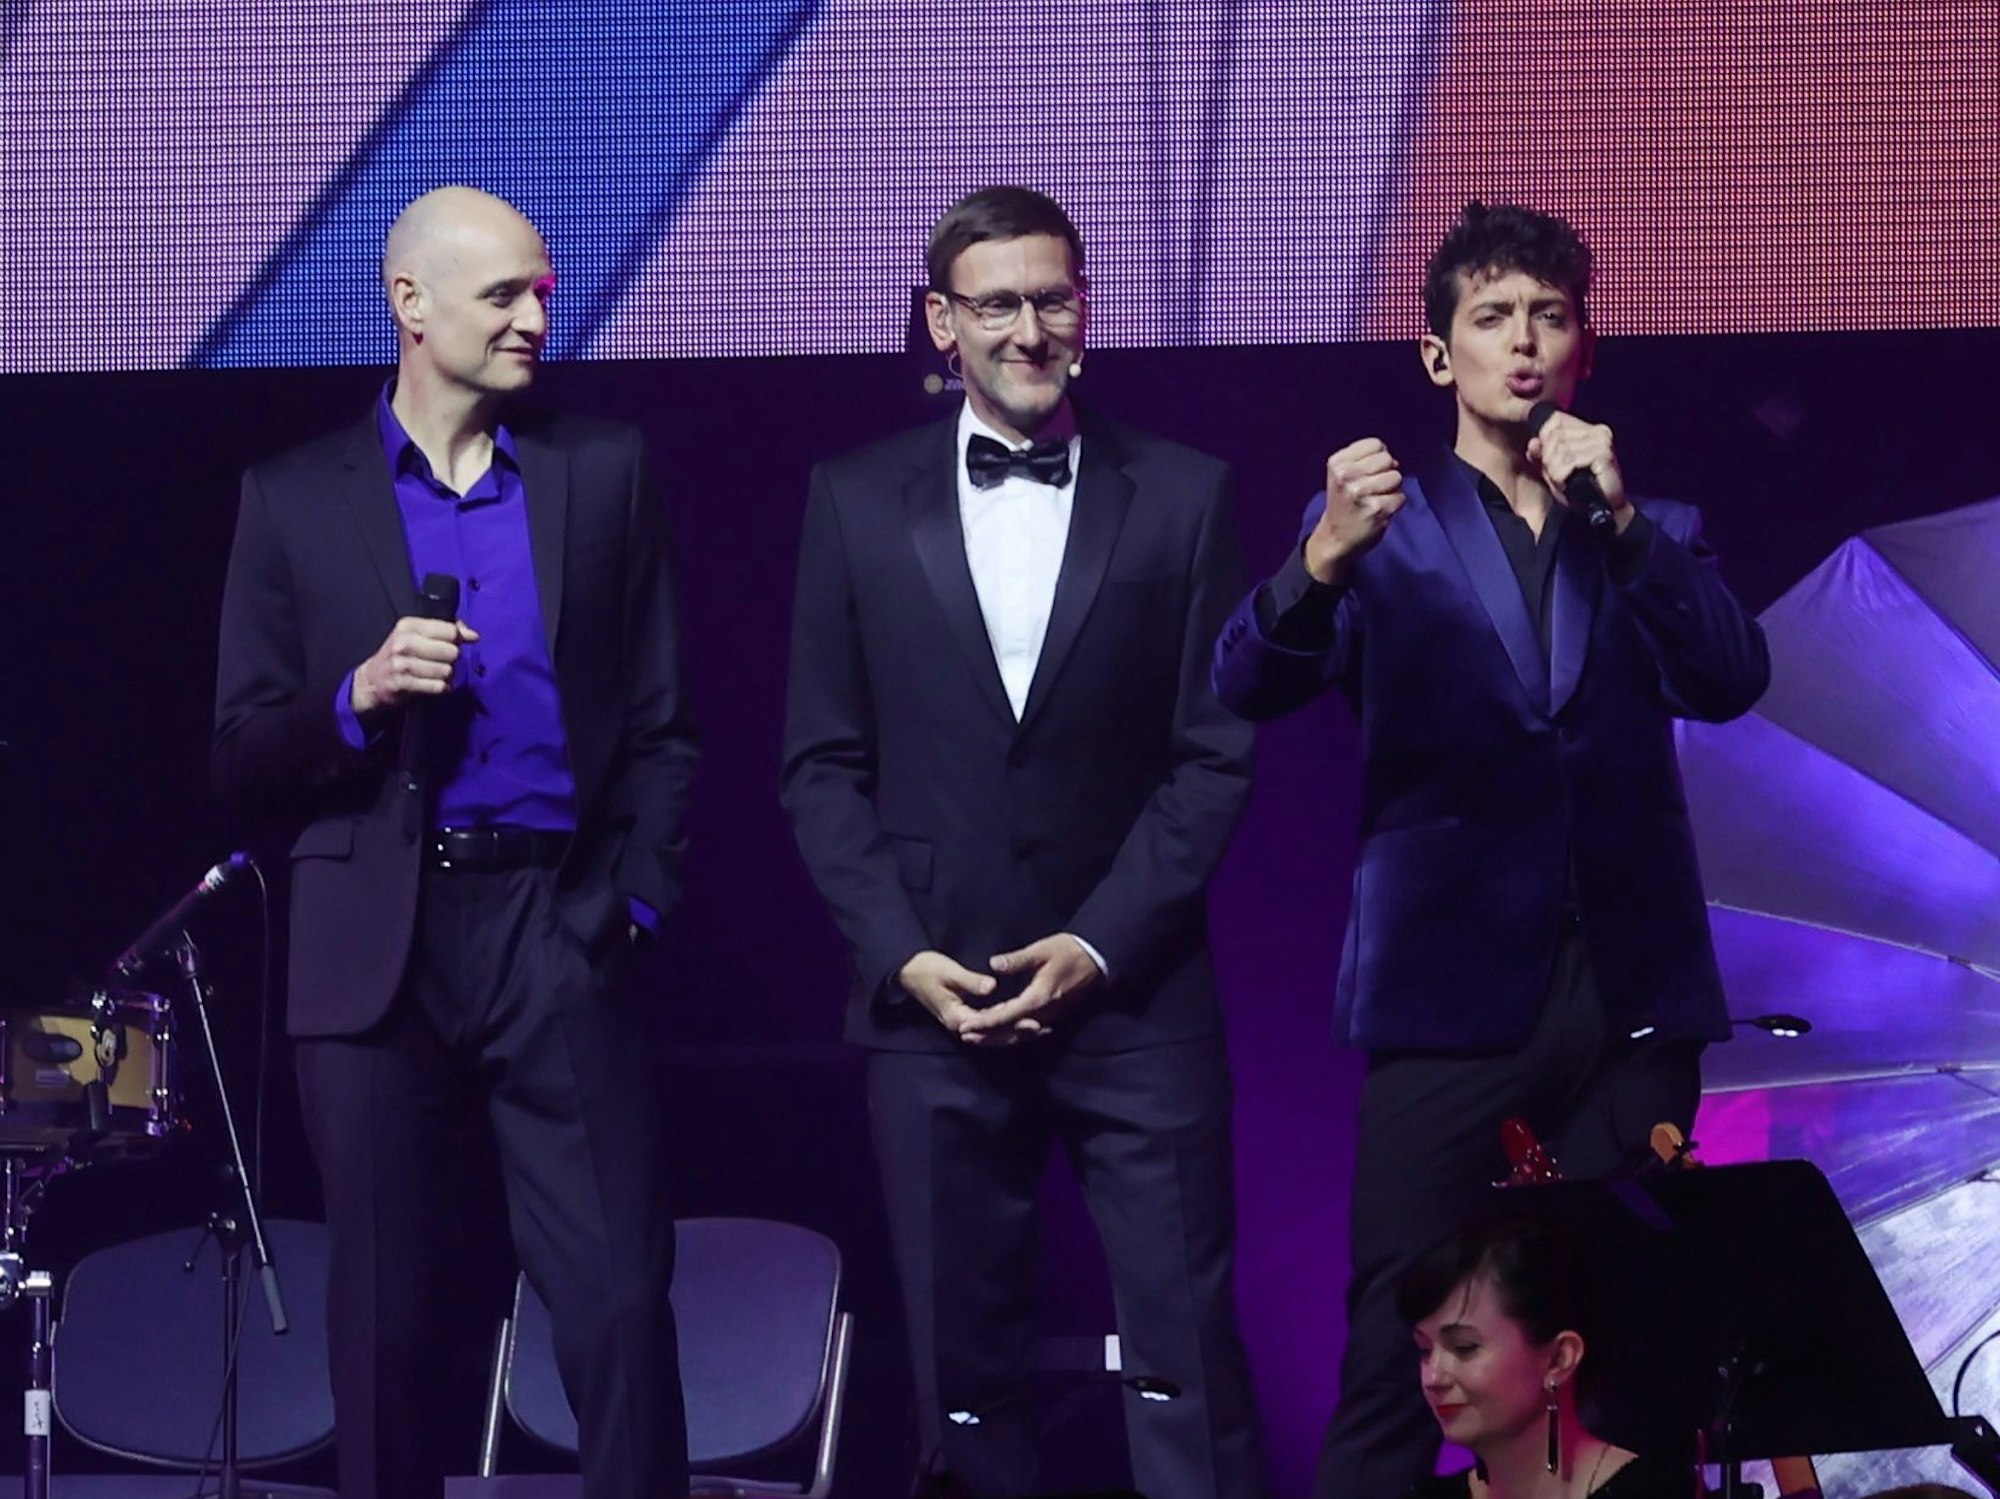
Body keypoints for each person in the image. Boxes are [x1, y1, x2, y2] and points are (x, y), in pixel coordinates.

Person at [1210, 200, 1771, 1499]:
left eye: (1551, 318)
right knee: (1397, 1341)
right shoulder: (1375, 525)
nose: (1524, 344)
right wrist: (1316, 564)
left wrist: (1624, 526)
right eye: (1493, 317)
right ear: (1435, 352)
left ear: (1585, 348)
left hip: (1630, 992)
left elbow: (1733, 676)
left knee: (1627, 1352)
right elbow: (1244, 684)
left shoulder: (1652, 526)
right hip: (1449, 999)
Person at [213, 185, 697, 1499]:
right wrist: (355, 697)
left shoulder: (604, 471)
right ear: (411, 305)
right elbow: (243, 748)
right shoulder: (297, 494)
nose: (540, 315)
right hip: (378, 939)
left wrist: (629, 908)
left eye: (543, 289)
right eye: (508, 294)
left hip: (559, 924)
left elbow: (663, 724)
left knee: (613, 1300)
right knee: (389, 1318)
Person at [781, 185, 1264, 1498]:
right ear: (942, 321)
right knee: (966, 1375)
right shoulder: (853, 497)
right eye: (997, 301)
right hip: (934, 1001)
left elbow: (1214, 750)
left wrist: (1103, 940)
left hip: (1138, 995)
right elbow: (820, 763)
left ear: (1085, 311)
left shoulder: (1182, 493)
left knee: (1189, 1360)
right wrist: (901, 955)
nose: (1030, 326)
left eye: (1054, 295)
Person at [1399, 1217, 1692, 1499]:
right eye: (1425, 1350)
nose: (1433, 1378)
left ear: (1559, 1358)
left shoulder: (1656, 1491)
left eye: (1464, 1347)